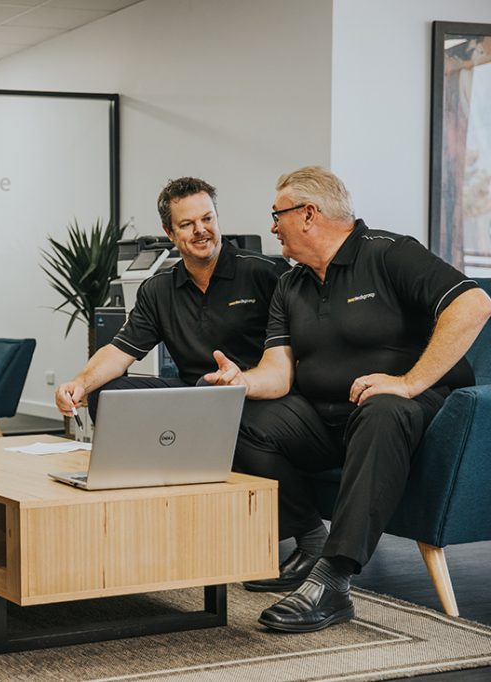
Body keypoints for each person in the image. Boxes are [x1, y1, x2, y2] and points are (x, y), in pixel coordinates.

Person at [205, 166, 491, 633]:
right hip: (328, 418)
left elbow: (474, 304)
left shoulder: (389, 253)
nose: (272, 226)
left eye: (277, 215)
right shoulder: (290, 284)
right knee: (241, 416)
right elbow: (278, 372)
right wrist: (240, 382)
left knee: (383, 407)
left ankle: (334, 580)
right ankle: (310, 538)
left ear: (308, 214)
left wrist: (409, 382)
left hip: (408, 415)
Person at [55, 177, 287, 420]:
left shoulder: (264, 273)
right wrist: (79, 383)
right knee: (106, 396)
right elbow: (118, 352)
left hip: (251, 392)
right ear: (169, 232)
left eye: (207, 219)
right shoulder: (158, 289)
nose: (200, 230)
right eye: (187, 224)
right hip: (193, 392)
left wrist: (245, 382)